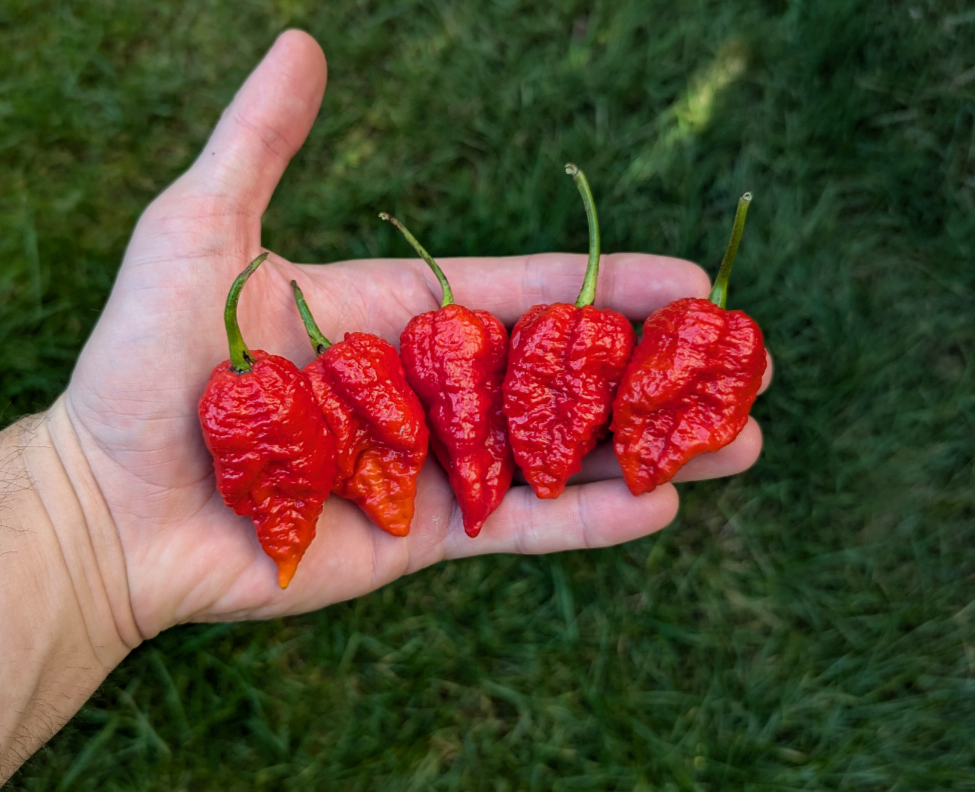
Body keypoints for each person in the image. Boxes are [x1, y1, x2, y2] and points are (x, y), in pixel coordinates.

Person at [0, 31, 769, 783]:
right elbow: (390, 435)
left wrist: (83, 518)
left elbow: (502, 415)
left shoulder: (482, 348)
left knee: (496, 431)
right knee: (407, 438)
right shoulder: (299, 383)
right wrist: (88, 517)